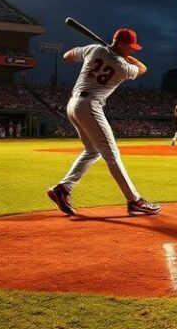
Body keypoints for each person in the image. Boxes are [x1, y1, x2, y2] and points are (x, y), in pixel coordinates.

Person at [46, 28, 161, 217]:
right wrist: (128, 59)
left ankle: (63, 188)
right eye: (130, 47)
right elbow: (143, 69)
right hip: (90, 105)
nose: (131, 51)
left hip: (73, 104)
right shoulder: (122, 66)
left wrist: (98, 51)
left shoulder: (94, 49)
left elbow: (67, 56)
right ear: (121, 44)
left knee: (92, 151)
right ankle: (135, 201)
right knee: (112, 154)